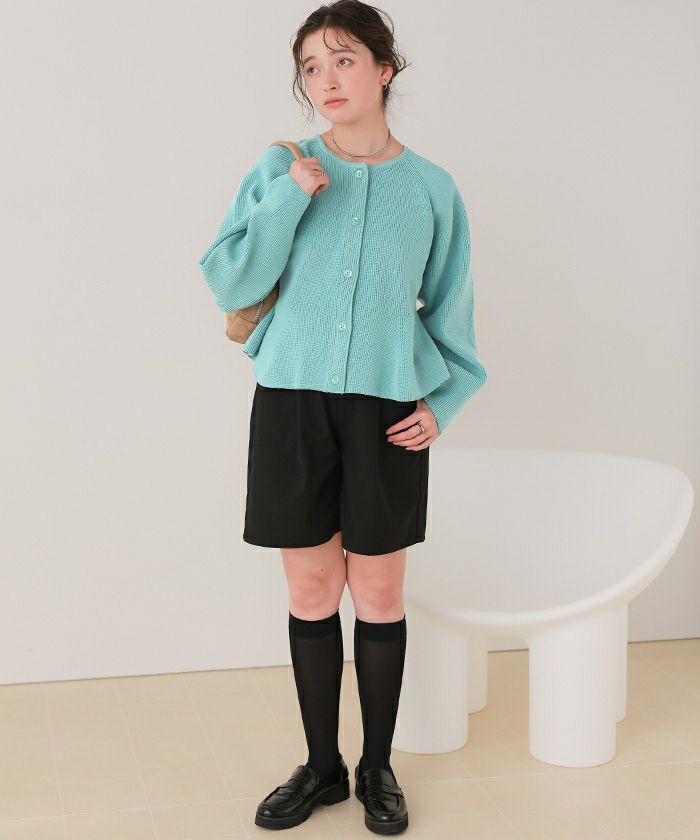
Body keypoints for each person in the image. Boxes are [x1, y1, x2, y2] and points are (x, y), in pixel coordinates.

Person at [198, 1, 487, 834]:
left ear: (384, 69)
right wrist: (288, 199)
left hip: (387, 411)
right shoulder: (283, 165)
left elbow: (453, 312)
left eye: (344, 60)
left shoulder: (432, 188)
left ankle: (377, 768)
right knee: (313, 587)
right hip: (291, 402)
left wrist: (444, 402)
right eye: (311, 67)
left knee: (381, 590)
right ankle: (321, 767)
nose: (326, 80)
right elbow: (227, 278)